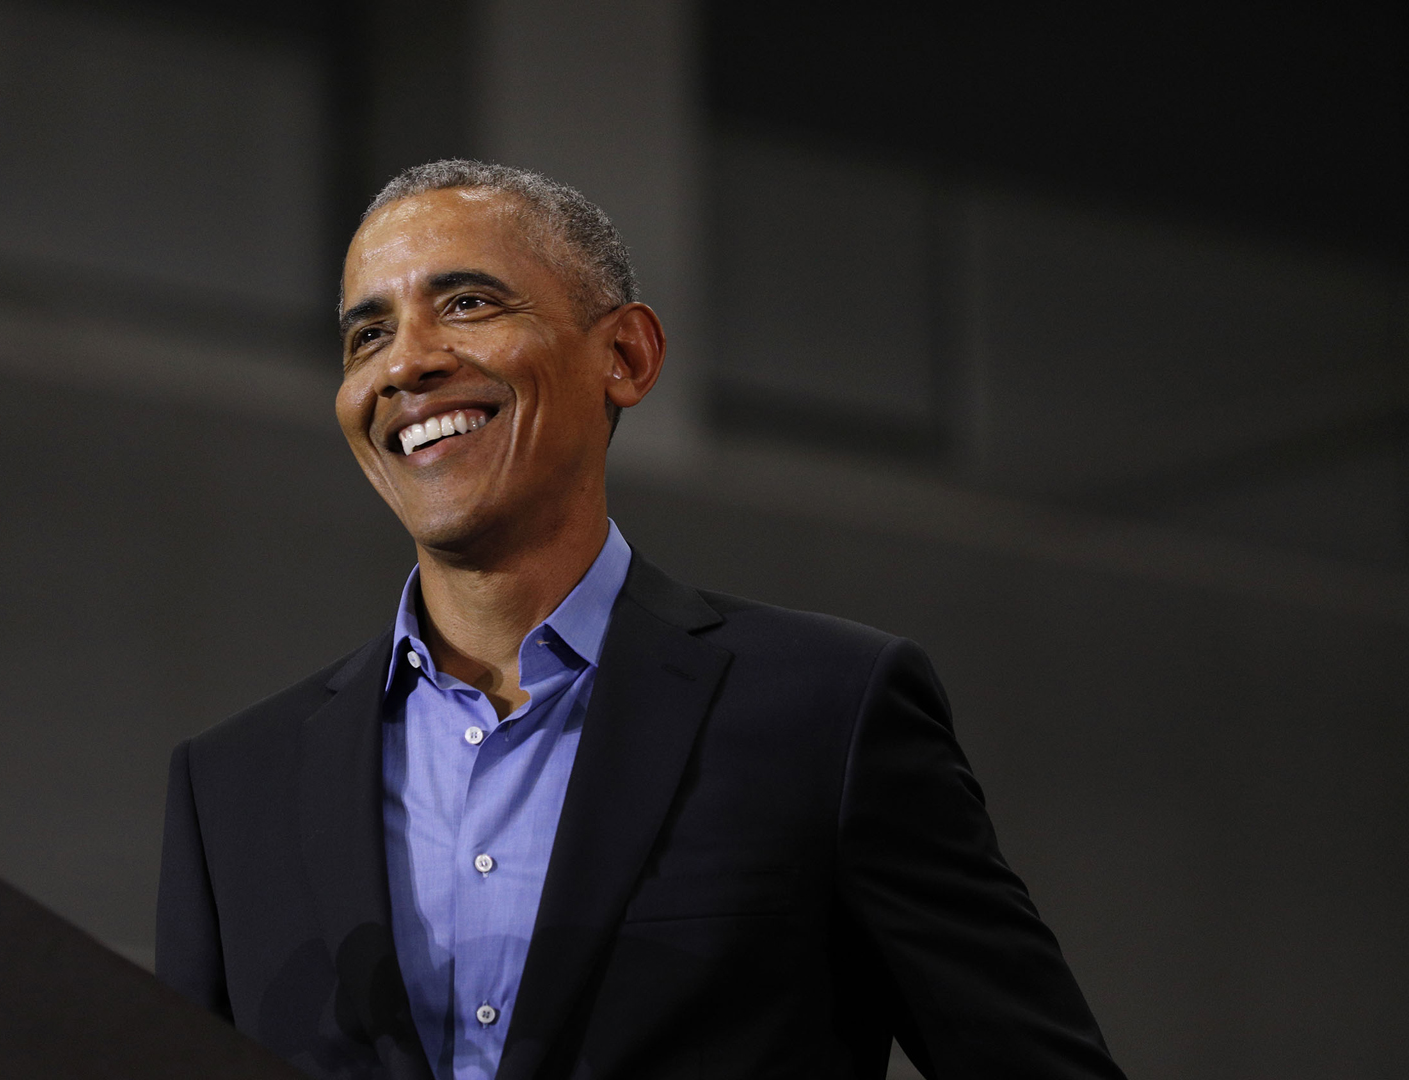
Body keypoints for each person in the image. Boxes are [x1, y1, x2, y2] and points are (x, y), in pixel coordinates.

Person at [156, 160, 1126, 1080]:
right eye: (367, 335)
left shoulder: (829, 714)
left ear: (624, 355)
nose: (407, 362)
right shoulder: (232, 788)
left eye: (467, 304)